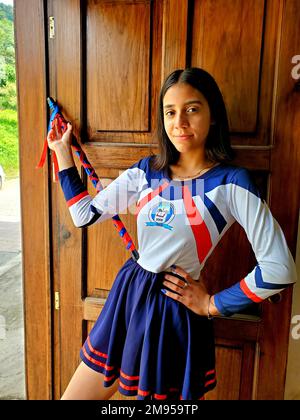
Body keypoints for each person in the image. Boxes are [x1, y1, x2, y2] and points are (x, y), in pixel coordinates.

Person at [47, 67, 297, 400]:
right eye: (170, 112)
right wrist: (63, 153)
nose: (180, 122)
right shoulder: (145, 171)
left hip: (172, 310)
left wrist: (212, 304)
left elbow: (279, 268)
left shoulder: (232, 183)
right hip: (128, 296)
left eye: (192, 109)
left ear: (213, 116)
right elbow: (83, 215)